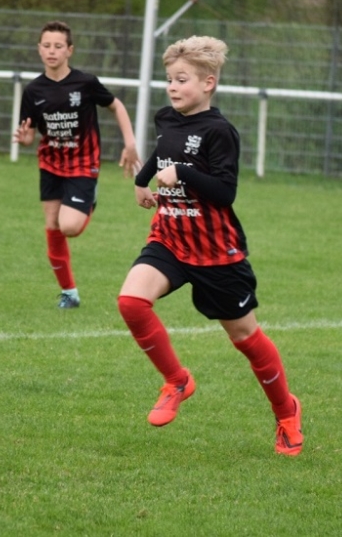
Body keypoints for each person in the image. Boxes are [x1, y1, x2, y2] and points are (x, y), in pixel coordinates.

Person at [116, 35, 303, 456]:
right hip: (169, 237)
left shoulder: (220, 132)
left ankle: (287, 413)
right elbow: (163, 153)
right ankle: (177, 381)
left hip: (216, 252)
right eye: (169, 78)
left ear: (208, 83)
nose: (172, 86)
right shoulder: (167, 118)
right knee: (131, 302)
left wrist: (182, 173)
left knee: (246, 338)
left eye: (181, 79)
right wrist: (142, 181)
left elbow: (224, 192)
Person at [13, 21, 139, 309]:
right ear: (39, 49)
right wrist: (25, 139)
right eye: (47, 45)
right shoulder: (33, 90)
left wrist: (130, 143)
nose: (52, 51)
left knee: (68, 226)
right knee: (52, 227)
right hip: (50, 164)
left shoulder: (85, 83)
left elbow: (116, 105)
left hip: (83, 163)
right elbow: (29, 133)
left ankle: (89, 200)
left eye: (58, 46)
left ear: (69, 50)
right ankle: (69, 293)